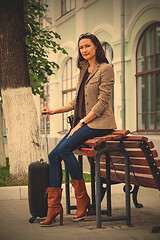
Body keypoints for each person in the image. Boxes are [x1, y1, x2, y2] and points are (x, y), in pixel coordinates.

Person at [40, 33, 117, 227]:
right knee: (53, 155)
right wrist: (54, 110)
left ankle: (82, 199)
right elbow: (77, 101)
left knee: (64, 150)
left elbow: (102, 103)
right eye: (81, 47)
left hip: (99, 123)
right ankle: (54, 208)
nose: (84, 50)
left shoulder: (105, 69)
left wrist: (81, 123)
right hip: (83, 122)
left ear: (96, 47)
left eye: (88, 46)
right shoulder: (83, 68)